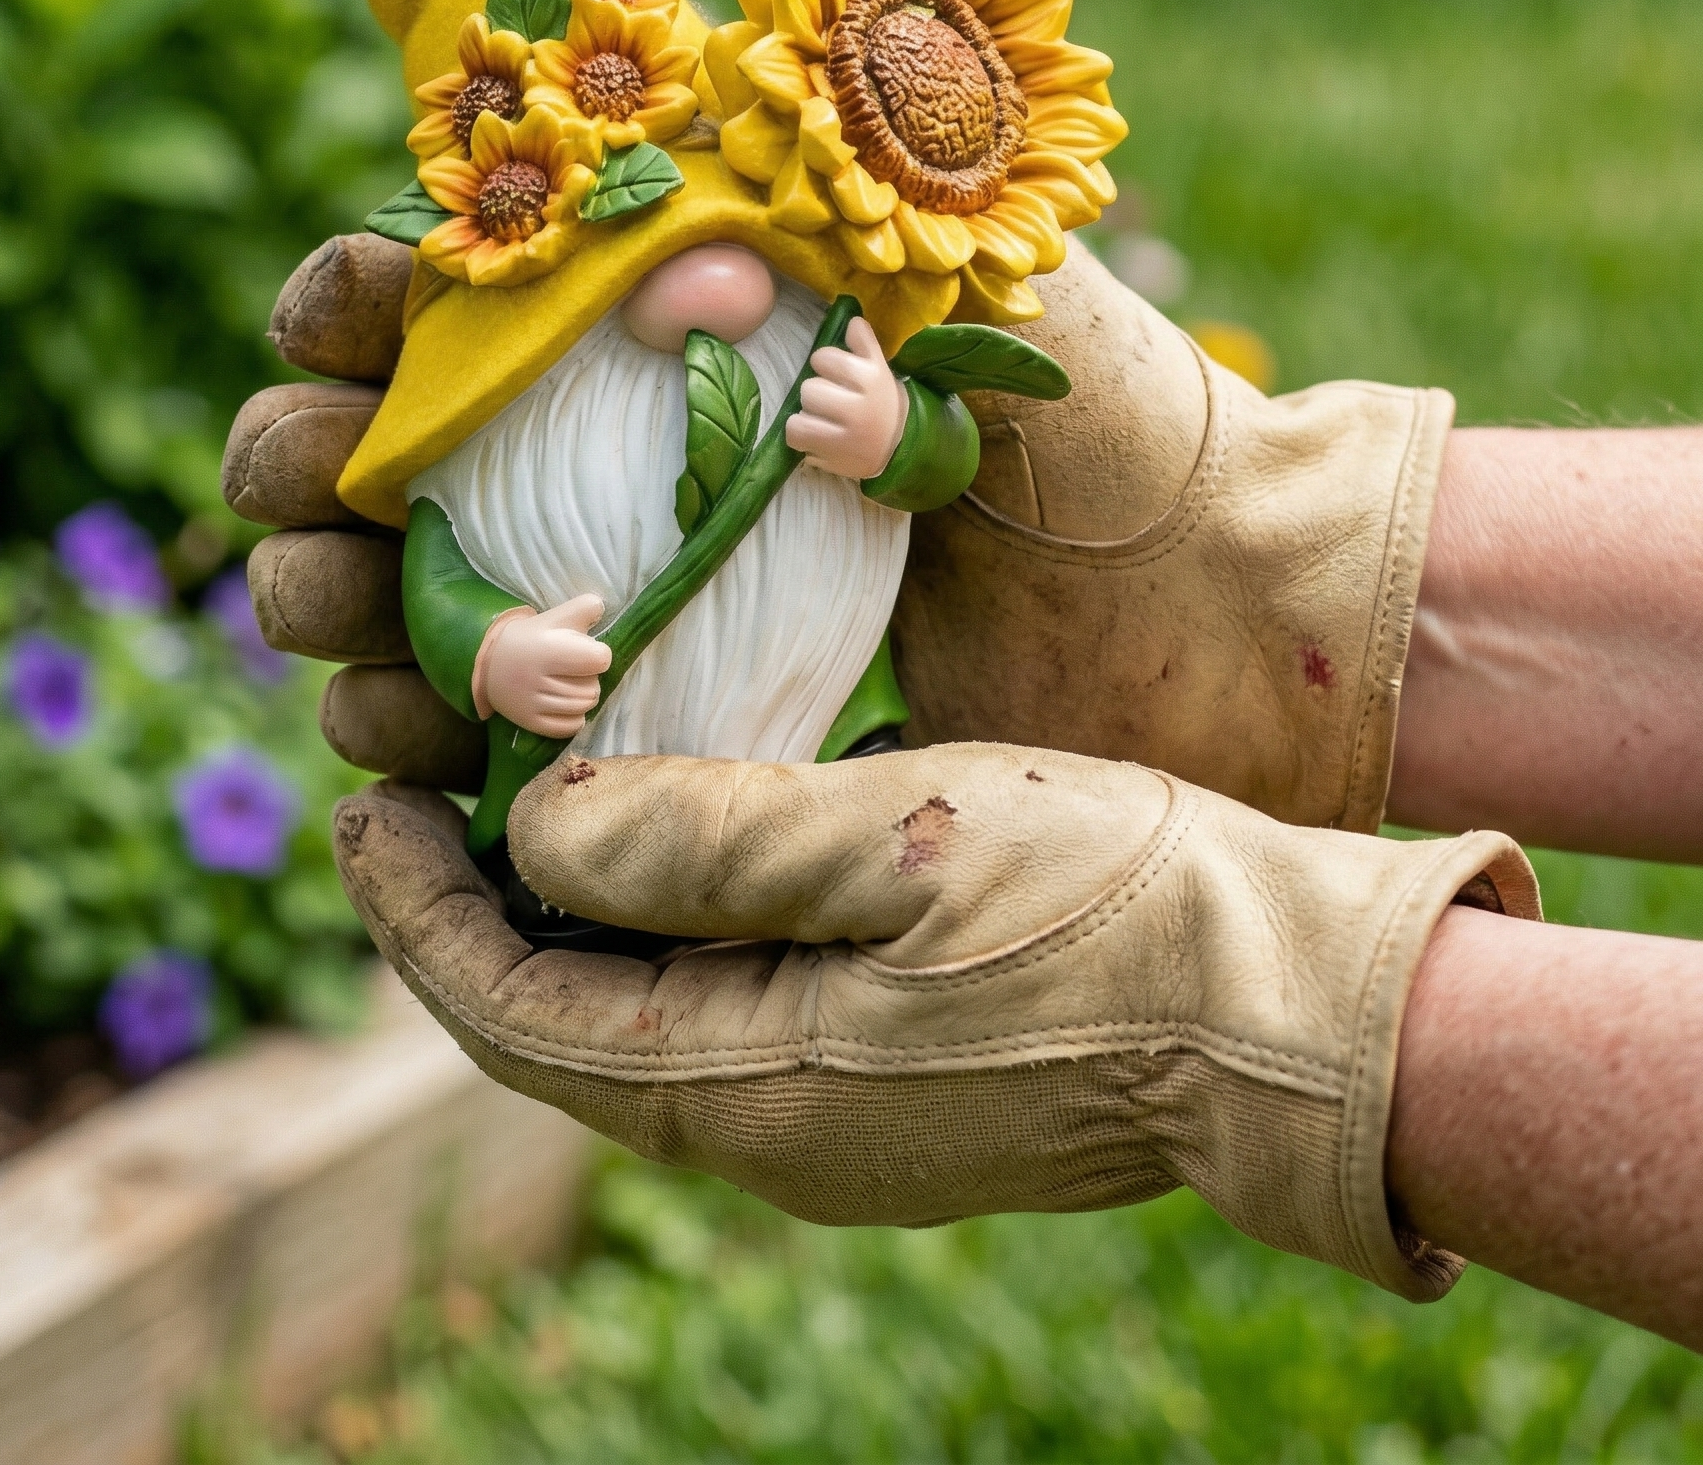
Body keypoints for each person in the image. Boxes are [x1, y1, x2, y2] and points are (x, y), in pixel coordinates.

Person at [230, 221, 1703, 1350]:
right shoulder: (503, 434)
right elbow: (438, 561)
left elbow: (940, 454)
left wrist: (1231, 999)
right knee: (552, 822)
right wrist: (482, 644)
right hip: (564, 776)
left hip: (784, 730)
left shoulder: (823, 343)